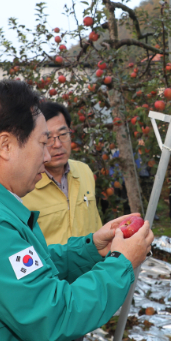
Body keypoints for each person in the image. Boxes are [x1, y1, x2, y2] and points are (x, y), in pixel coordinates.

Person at [0, 80, 154, 341]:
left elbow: (27, 267)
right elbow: (54, 316)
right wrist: (121, 263)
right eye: (42, 142)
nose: (48, 155)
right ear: (6, 146)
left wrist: (91, 249)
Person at [22, 101, 102, 245]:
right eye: (48, 138)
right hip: (51, 267)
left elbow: (96, 225)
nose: (57, 144)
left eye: (63, 134)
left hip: (93, 266)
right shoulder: (24, 186)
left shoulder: (84, 171)